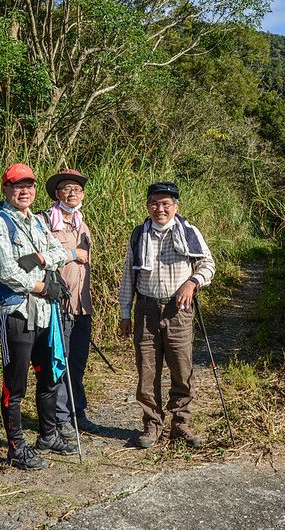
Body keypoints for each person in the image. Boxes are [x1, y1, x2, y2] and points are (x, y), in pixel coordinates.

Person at [0, 163, 79, 470]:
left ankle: (48, 435)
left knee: (49, 375)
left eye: (29, 185)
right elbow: (5, 270)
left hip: (43, 312)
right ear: (6, 189)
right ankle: (16, 448)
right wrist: (41, 285)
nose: (23, 191)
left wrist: (38, 258)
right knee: (16, 383)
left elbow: (61, 253)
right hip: (16, 313)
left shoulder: (38, 221)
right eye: (16, 186)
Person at [119, 181, 215, 448]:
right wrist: (125, 312)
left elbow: (208, 263)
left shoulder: (188, 231)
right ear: (148, 205)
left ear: (175, 206)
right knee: (146, 371)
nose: (159, 209)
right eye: (154, 203)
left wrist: (193, 282)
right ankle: (152, 425)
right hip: (146, 309)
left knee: (181, 368)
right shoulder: (139, 234)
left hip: (178, 311)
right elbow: (128, 274)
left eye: (165, 203)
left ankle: (180, 422)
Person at [41, 169, 101, 438]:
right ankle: (62, 418)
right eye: (66, 188)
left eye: (77, 189)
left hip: (81, 306)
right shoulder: (45, 221)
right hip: (59, 306)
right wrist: (72, 253)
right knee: (60, 361)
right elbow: (40, 257)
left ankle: (78, 412)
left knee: (77, 362)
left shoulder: (81, 223)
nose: (72, 193)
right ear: (57, 194)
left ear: (83, 195)